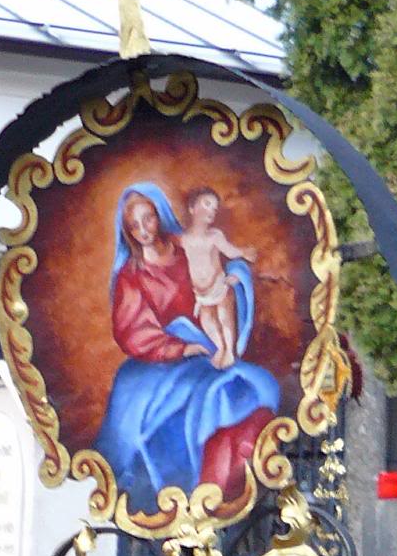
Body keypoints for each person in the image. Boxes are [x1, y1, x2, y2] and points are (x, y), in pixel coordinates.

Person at [94, 182, 279, 512]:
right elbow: (131, 329)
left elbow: (224, 266)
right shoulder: (131, 275)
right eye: (134, 226)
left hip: (209, 343)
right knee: (150, 422)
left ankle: (221, 489)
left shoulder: (184, 248)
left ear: (160, 216)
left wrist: (234, 278)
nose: (143, 230)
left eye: (148, 219)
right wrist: (177, 349)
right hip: (162, 357)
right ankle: (177, 498)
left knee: (246, 389)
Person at [178, 185, 254, 370]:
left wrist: (244, 253)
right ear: (192, 208)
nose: (212, 210)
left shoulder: (214, 236)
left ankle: (229, 350)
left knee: (225, 318)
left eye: (214, 207)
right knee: (208, 321)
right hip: (200, 294)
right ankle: (220, 348)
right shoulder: (182, 240)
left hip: (219, 286)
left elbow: (230, 251)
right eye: (207, 204)